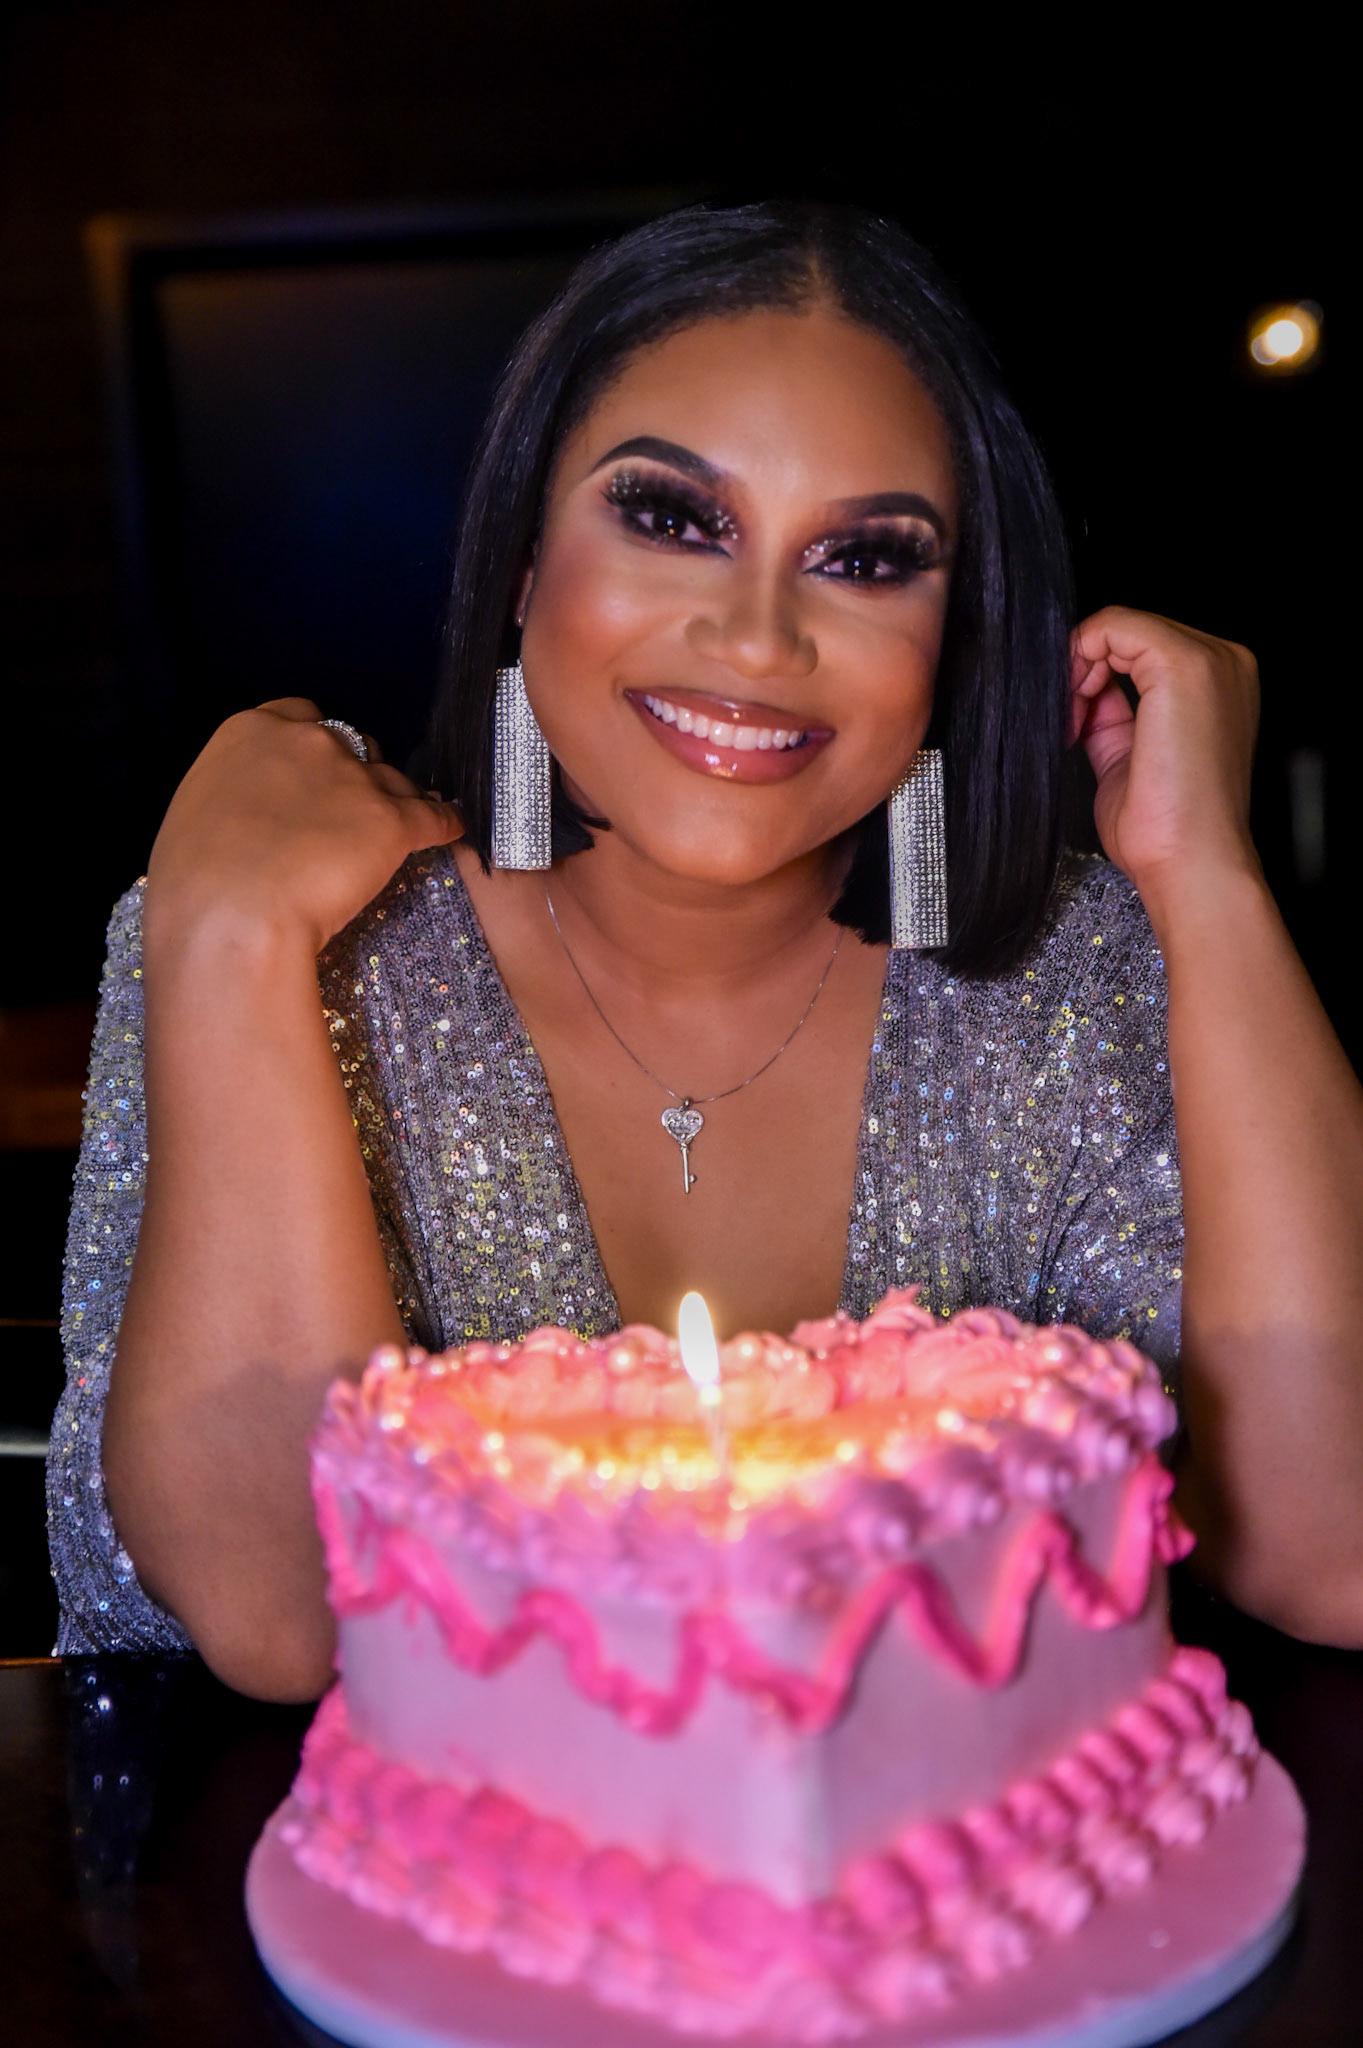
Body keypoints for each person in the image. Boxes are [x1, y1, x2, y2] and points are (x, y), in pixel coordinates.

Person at [48, 203, 1363, 1699]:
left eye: (865, 560)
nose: (756, 640)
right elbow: (293, 1622)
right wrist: (221, 934)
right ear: (525, 559)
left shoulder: (1082, 975)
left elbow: (1337, 1549)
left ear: (960, 639)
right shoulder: (285, 946)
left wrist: (1212, 881)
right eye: (673, 520)